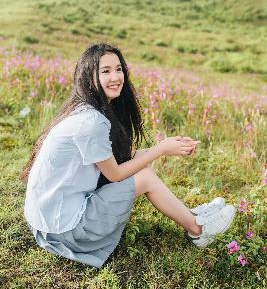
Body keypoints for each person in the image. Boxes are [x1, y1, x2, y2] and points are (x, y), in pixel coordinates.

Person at [22, 43, 236, 268]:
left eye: (118, 69)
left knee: (141, 169)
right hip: (64, 231)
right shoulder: (91, 122)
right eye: (105, 71)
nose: (115, 77)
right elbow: (115, 174)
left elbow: (117, 160)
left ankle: (191, 214)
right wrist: (161, 149)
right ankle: (198, 230)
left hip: (49, 221)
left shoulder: (85, 109)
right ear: (88, 76)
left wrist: (169, 147)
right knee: (144, 177)